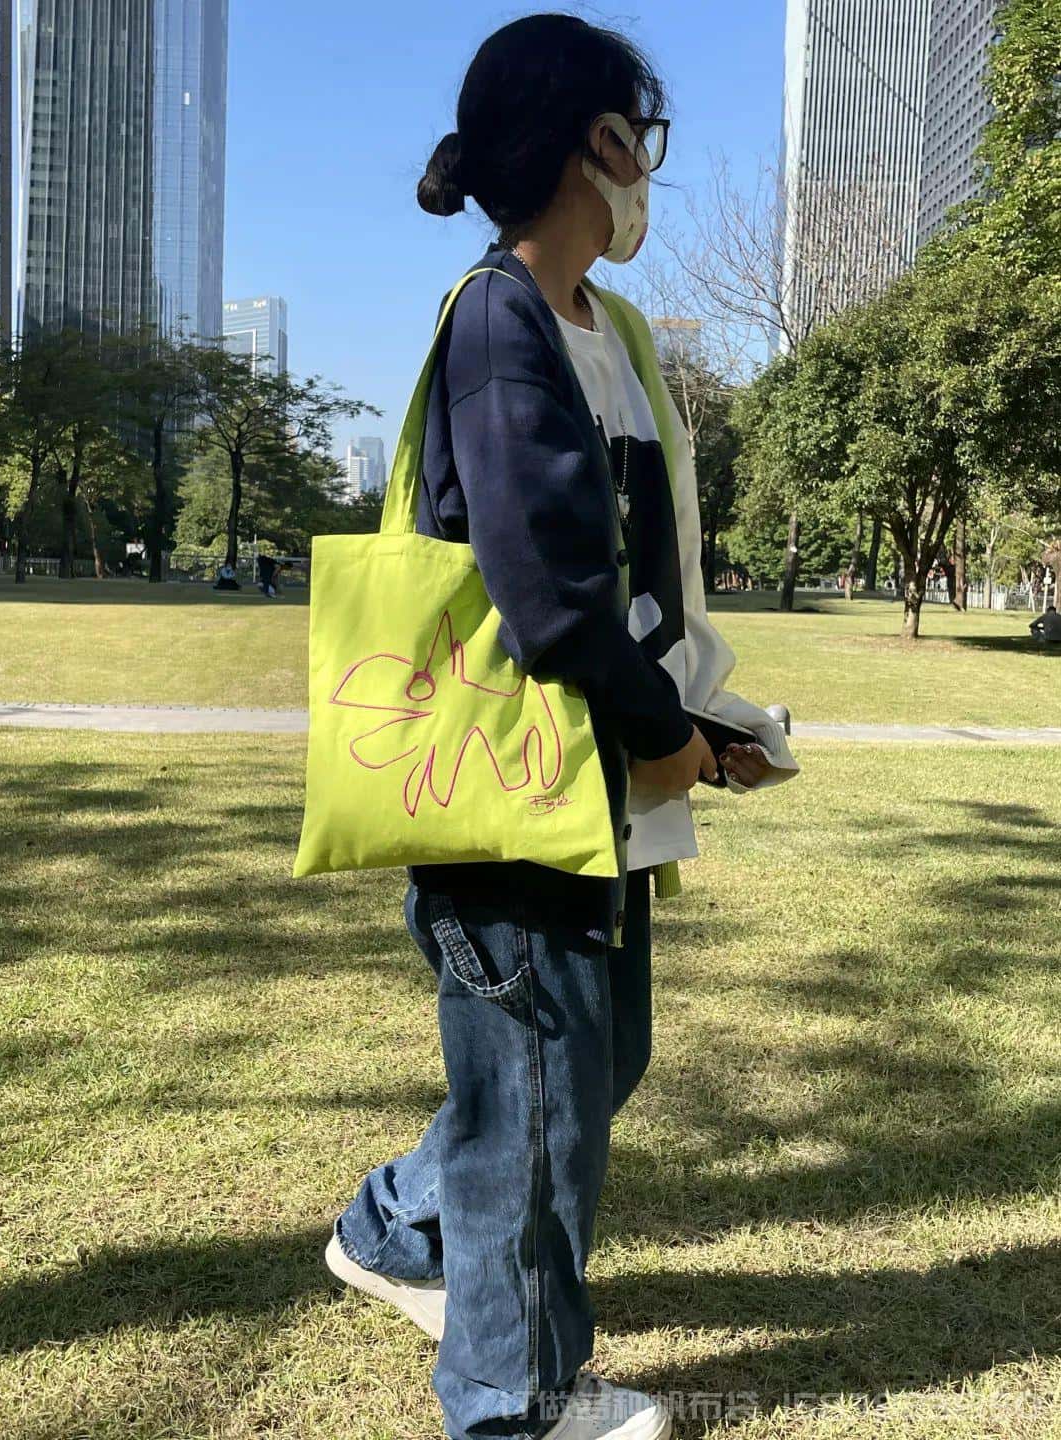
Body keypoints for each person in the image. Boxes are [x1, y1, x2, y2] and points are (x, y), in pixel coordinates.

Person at [326, 17, 800, 1440]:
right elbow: (547, 590)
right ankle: (514, 1402)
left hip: (606, 784)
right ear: (599, 142)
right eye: (643, 140)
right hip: (521, 801)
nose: (649, 170)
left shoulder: (612, 332)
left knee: (588, 1068)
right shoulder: (499, 319)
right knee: (539, 1099)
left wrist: (703, 724)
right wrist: (658, 734)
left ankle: (396, 1225)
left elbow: (639, 582)